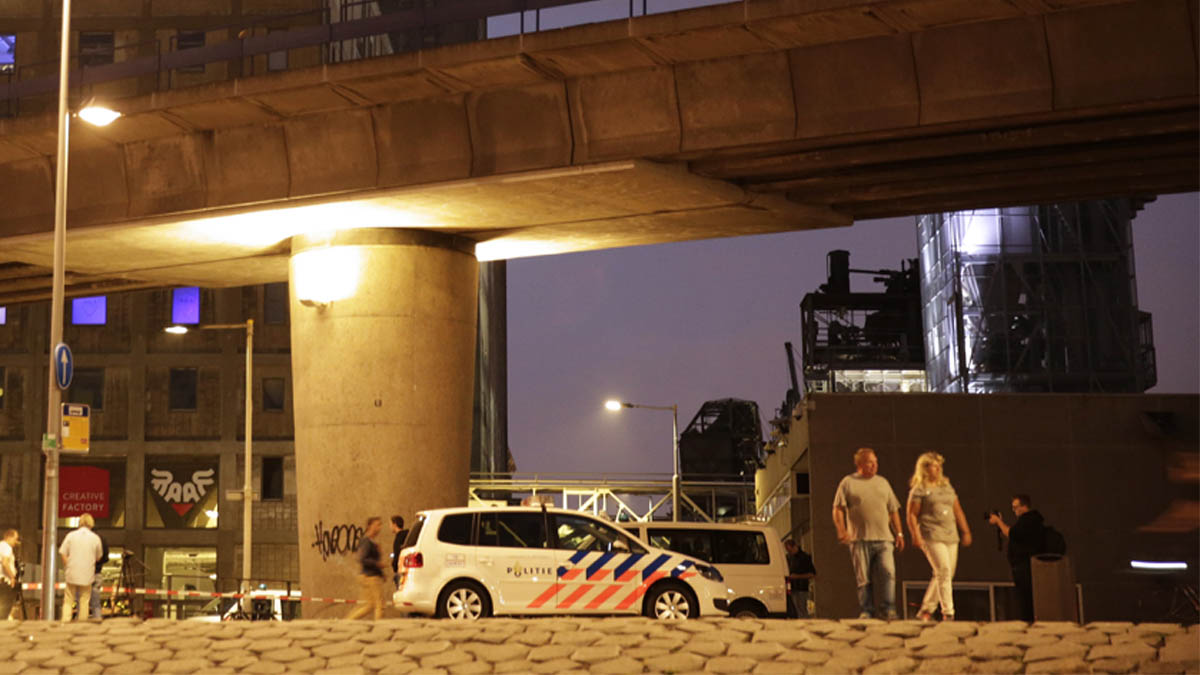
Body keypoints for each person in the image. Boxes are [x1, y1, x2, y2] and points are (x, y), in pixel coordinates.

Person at [832, 447, 905, 619]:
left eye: (875, 462)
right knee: (863, 578)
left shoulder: (883, 483)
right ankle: (867, 610)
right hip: (859, 539)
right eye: (870, 462)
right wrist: (841, 530)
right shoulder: (848, 482)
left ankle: (888, 609)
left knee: (888, 572)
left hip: (884, 538)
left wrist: (899, 533)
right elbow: (838, 509)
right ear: (859, 464)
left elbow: (893, 510)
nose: (874, 465)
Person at [906, 452, 972, 621]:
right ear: (925, 468)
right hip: (931, 534)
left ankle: (926, 610)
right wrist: (915, 534)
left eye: (938, 466)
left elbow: (957, 509)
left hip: (950, 534)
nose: (937, 469)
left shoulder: (946, 487)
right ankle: (948, 611)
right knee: (943, 570)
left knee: (946, 574)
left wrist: (965, 530)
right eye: (933, 466)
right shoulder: (919, 489)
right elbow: (912, 514)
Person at [989, 494, 1045, 622]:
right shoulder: (1030, 521)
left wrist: (998, 522)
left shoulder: (1028, 520)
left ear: (1024, 506)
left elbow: (1012, 533)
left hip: (1025, 567)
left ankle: (1028, 622)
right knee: (1025, 598)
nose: (1014, 511)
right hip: (1024, 566)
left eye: (1016, 507)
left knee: (1026, 599)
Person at [59, 513, 103, 621]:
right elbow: (99, 557)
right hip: (87, 573)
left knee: (68, 600)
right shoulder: (95, 538)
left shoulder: (71, 535)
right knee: (84, 600)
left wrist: (67, 564)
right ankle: (82, 623)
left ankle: (65, 621)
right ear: (91, 523)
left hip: (72, 572)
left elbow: (63, 552)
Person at [346, 516, 387, 620]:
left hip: (370, 575)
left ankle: (347, 621)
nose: (379, 527)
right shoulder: (366, 541)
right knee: (379, 604)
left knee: (369, 605)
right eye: (377, 525)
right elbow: (362, 558)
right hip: (370, 577)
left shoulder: (372, 542)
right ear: (370, 526)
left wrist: (381, 573)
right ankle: (379, 628)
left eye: (380, 525)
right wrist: (378, 564)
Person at [784, 538, 816, 618]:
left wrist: (797, 577)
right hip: (793, 588)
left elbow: (812, 574)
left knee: (802, 610)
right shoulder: (790, 558)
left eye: (790, 550)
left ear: (795, 546)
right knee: (797, 610)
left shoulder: (805, 557)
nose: (789, 552)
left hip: (802, 588)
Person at [90, 532, 110, 619]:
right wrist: (99, 563)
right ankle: (97, 619)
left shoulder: (84, 539)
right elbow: (105, 557)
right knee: (96, 603)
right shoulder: (101, 539)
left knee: (82, 600)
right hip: (97, 572)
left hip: (83, 573)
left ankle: (81, 621)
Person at [0, 529, 19, 621]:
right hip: (4, 581)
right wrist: (12, 577)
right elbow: (5, 563)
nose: (16, 542)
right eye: (15, 539)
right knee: (5, 606)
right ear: (9, 537)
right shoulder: (7, 547)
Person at [390, 515, 408, 588]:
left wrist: (394, 564)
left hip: (400, 569)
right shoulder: (406, 536)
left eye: (390, 524)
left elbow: (398, 553)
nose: (390, 527)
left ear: (394, 524)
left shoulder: (399, 538)